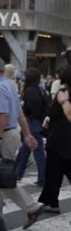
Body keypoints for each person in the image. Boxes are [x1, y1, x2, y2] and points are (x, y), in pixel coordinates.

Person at [0, 55, 43, 229]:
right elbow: (20, 114)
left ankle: (32, 207)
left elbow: (4, 115)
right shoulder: (9, 85)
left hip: (4, 136)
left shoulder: (0, 88)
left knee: (2, 178)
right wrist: (28, 135)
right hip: (10, 134)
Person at [38, 67, 71, 214]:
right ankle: (50, 201)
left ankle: (52, 202)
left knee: (53, 173)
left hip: (58, 139)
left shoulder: (63, 92)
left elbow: (52, 112)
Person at [15, 69, 47, 187]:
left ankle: (42, 178)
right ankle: (16, 173)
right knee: (26, 149)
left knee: (36, 150)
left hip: (31, 121)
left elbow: (27, 109)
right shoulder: (41, 90)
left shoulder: (29, 91)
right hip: (38, 122)